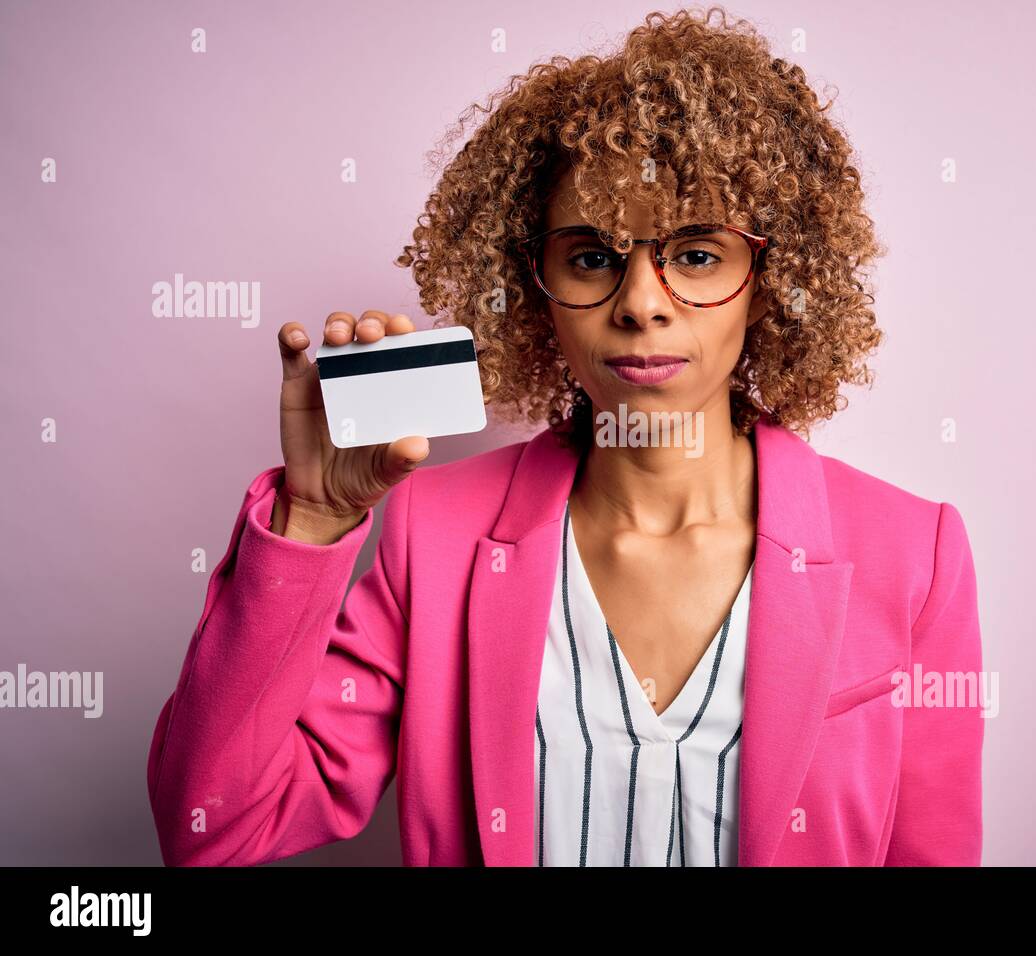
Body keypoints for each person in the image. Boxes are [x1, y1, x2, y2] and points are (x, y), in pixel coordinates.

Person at [146, 6, 983, 867]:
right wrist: (312, 520)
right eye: (591, 256)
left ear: (767, 283)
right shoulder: (434, 538)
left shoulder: (913, 556)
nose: (640, 302)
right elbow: (216, 829)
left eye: (696, 254)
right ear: (532, 285)